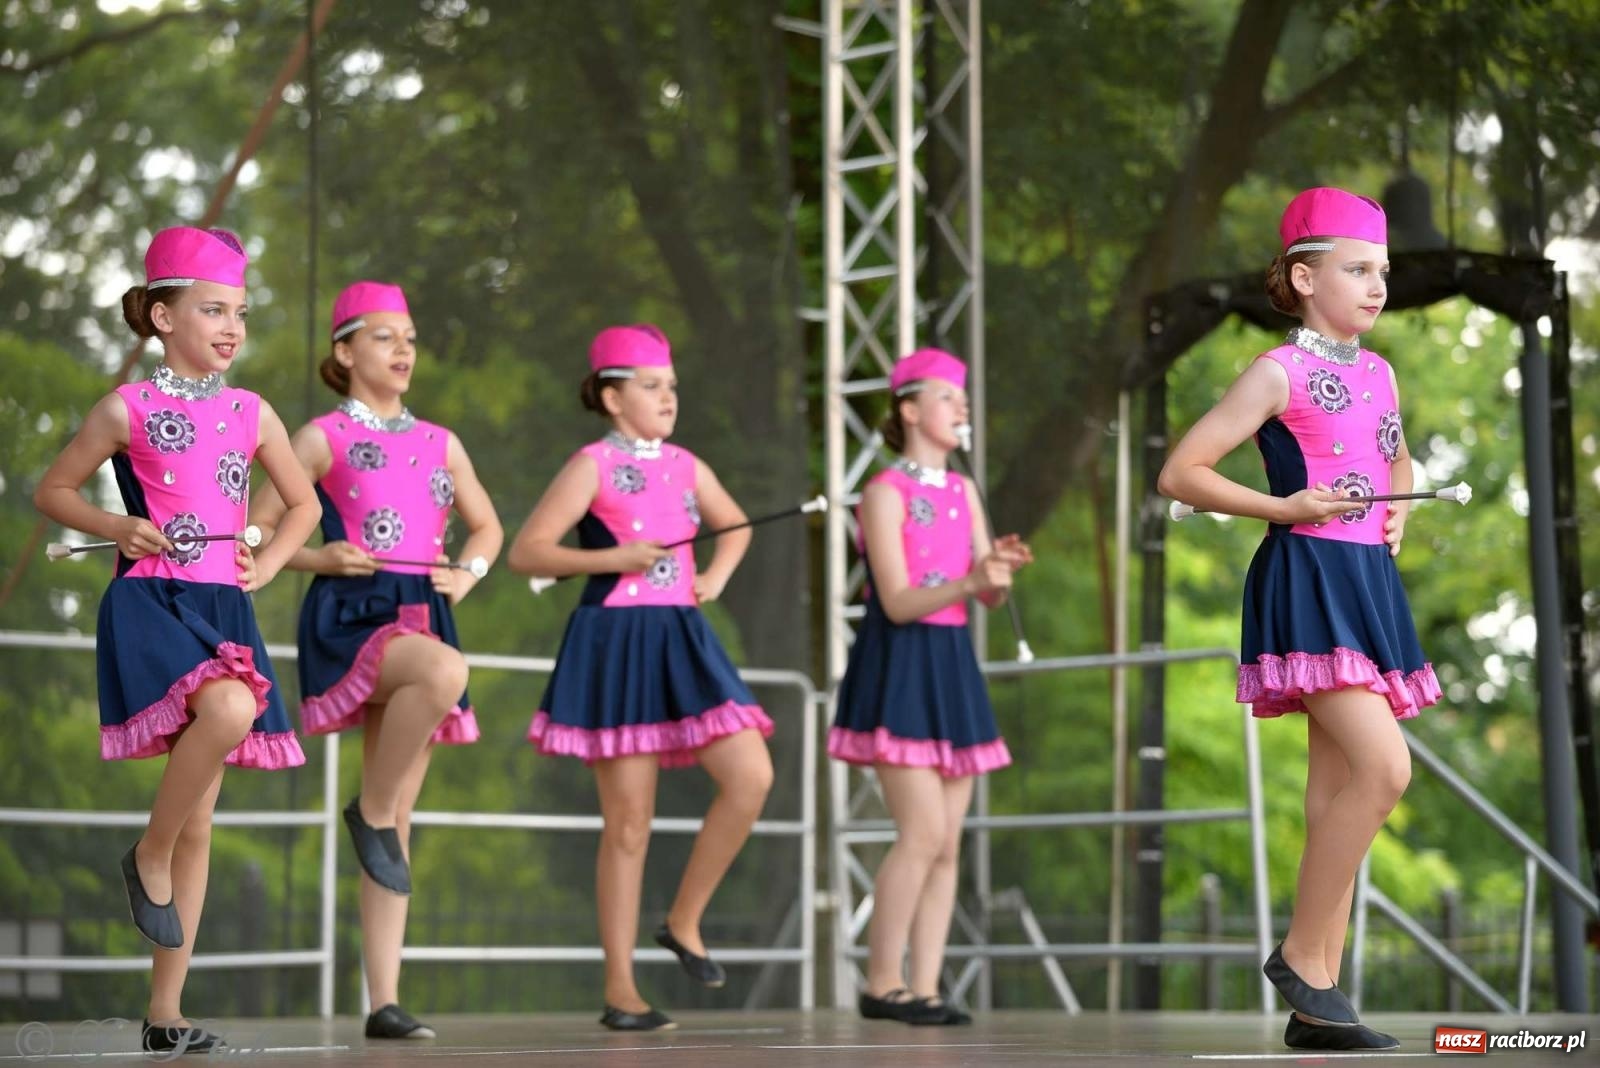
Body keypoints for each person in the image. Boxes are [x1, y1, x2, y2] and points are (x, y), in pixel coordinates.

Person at [1158, 187, 1439, 1051]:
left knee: (1334, 798)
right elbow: (1182, 472)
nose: (1376, 285)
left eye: (1382, 271)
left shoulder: (1381, 371)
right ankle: (1299, 960)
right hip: (1308, 576)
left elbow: (1394, 450)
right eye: (1357, 269)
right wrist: (1282, 509)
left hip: (1367, 581)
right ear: (1304, 276)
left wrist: (1402, 505)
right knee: (1385, 772)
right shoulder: (1275, 372)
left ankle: (1317, 1003)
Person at [33, 226, 320, 1054]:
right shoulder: (127, 408)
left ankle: (166, 1015)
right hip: (152, 602)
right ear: (162, 316)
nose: (232, 327)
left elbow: (299, 505)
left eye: (239, 312)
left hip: (224, 604)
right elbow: (54, 491)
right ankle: (145, 853)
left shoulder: (253, 411)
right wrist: (118, 524)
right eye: (212, 310)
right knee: (230, 710)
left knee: (202, 820)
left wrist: (268, 562)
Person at [248, 281, 502, 1040]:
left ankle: (383, 1000)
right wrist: (318, 554)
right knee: (443, 678)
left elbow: (487, 527)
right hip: (353, 610)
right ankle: (369, 810)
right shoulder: (319, 436)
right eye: (386, 336)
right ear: (345, 350)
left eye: (411, 339)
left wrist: (471, 571)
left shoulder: (442, 442)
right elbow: (259, 531)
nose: (403, 351)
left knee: (401, 820)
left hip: (426, 604)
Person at [508, 323, 774, 1031]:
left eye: (672, 387)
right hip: (617, 641)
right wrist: (612, 559)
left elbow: (737, 526)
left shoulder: (687, 464)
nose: (669, 399)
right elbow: (528, 552)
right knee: (629, 824)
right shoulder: (590, 464)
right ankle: (621, 989)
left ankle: (684, 919)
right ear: (612, 395)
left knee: (751, 777)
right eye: (653, 386)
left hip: (682, 637)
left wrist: (713, 577)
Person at [827, 347, 1032, 1026]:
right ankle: (882, 981)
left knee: (948, 841)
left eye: (961, 399)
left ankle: (927, 985)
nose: (960, 407)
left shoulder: (963, 491)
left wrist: (996, 573)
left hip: (950, 664)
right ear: (909, 409)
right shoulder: (883, 492)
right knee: (919, 832)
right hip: (899, 665)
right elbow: (894, 600)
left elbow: (986, 597)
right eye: (947, 397)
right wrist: (975, 580)